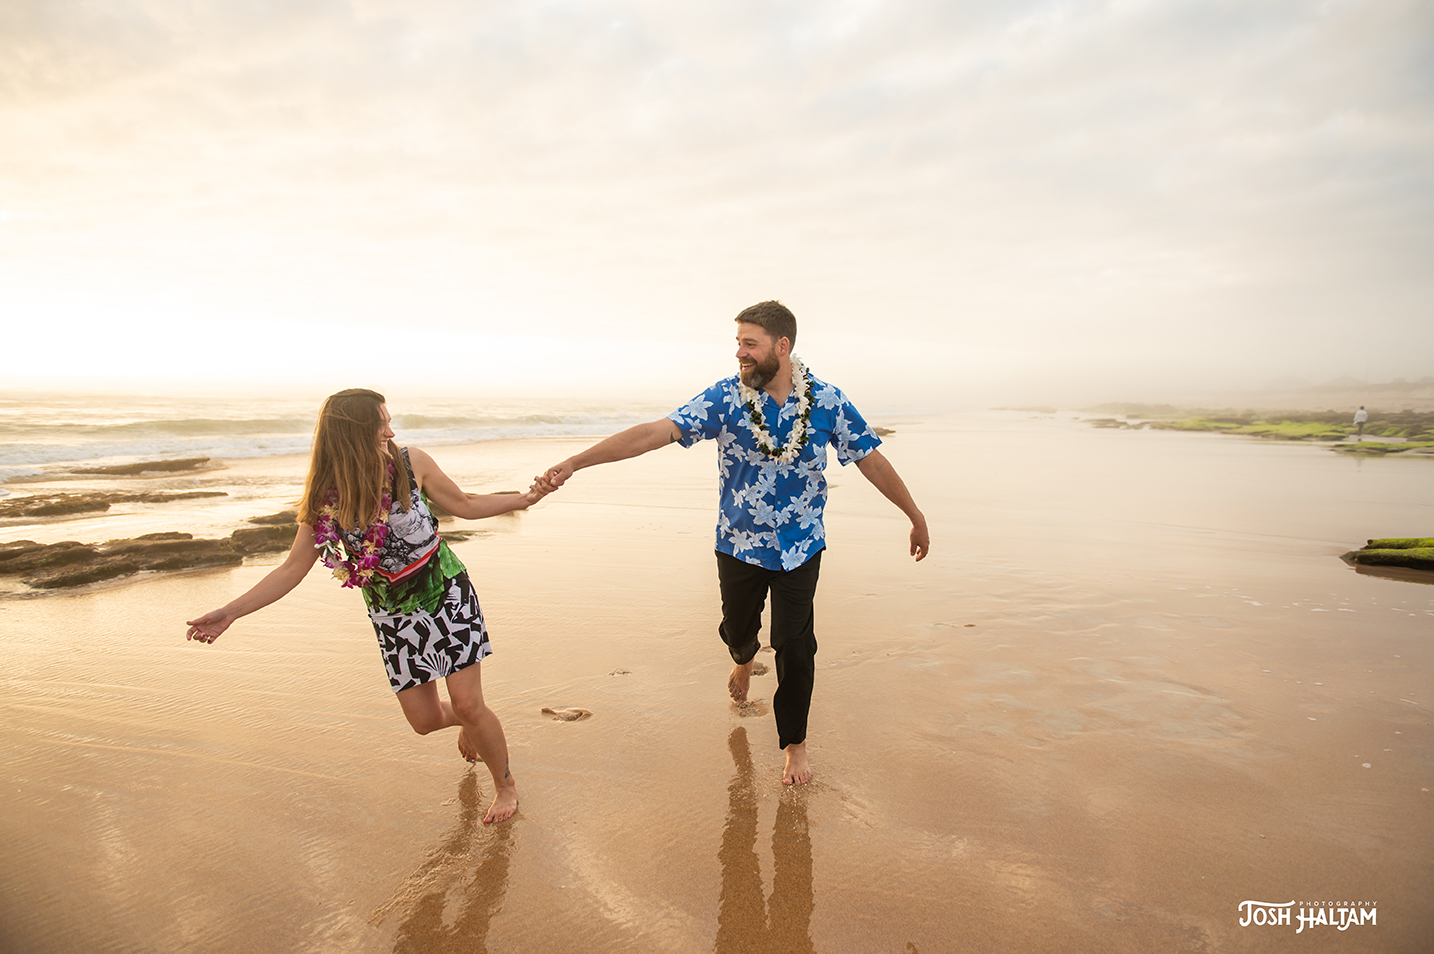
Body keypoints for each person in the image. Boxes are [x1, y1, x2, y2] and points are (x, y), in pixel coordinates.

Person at [540, 301, 928, 785]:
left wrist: (914, 515)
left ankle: (795, 746)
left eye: (750, 344)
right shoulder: (725, 398)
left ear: (782, 347)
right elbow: (652, 433)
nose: (740, 353)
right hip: (739, 544)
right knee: (740, 632)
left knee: (796, 647)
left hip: (801, 546)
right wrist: (577, 462)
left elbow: (871, 460)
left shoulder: (827, 402)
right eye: (738, 343)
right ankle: (743, 660)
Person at [185, 388, 550, 823]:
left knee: (469, 703)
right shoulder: (325, 499)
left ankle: (505, 786)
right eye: (381, 424)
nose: (391, 432)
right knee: (424, 721)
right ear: (353, 433)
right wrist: (230, 613)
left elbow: (465, 505)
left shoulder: (411, 463)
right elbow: (291, 569)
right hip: (391, 613)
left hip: (446, 592)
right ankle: (472, 723)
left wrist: (525, 499)